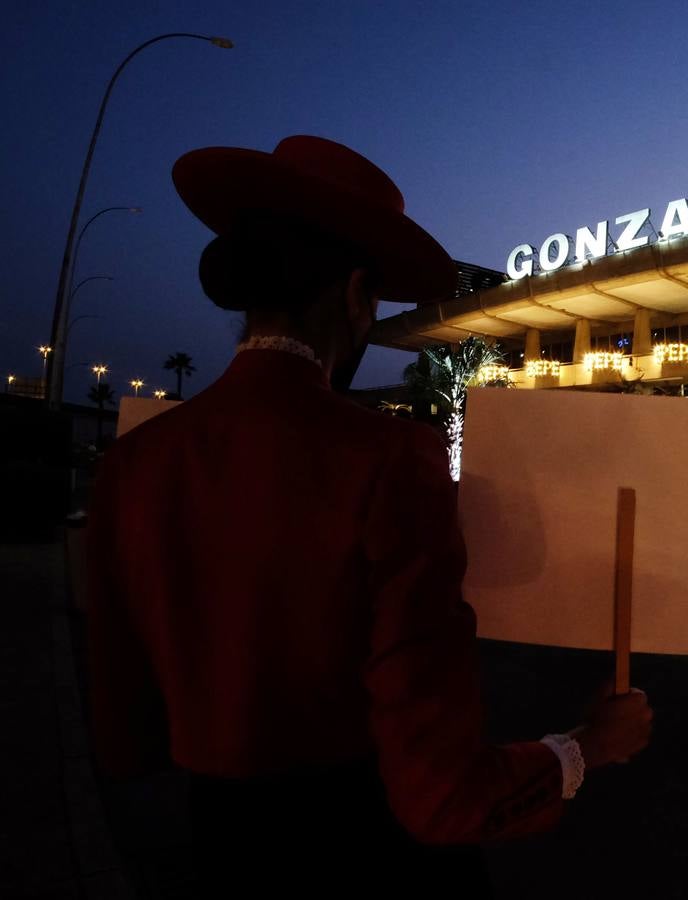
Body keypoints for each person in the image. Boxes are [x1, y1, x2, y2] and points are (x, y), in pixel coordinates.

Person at [84, 136, 653, 897]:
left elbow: (125, 740)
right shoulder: (388, 458)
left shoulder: (134, 460)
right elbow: (441, 795)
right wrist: (584, 748)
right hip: (365, 850)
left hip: (218, 847)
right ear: (356, 297)